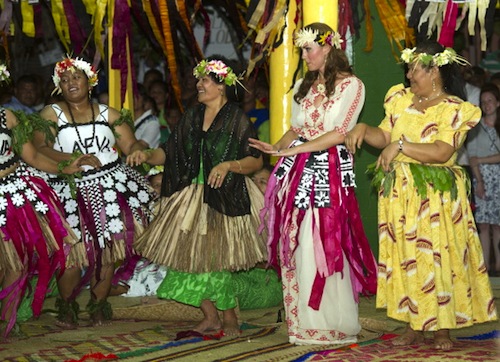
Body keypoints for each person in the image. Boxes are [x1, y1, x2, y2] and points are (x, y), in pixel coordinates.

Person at [345, 41, 498, 351]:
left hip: (436, 196)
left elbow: (442, 152)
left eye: (416, 67)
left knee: (437, 259)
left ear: (436, 70)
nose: (410, 73)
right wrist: (363, 127)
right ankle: (414, 324)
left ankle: (442, 328)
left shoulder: (455, 108)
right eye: (409, 66)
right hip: (400, 195)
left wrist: (401, 147)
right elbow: (384, 136)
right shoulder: (399, 99)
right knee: (407, 258)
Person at [249, 23, 378, 345]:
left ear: (329, 48)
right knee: (296, 239)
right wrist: (277, 146)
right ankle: (303, 322)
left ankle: (330, 321)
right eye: (302, 49)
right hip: (299, 168)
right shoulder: (304, 86)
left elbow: (339, 133)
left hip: (328, 169)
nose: (304, 55)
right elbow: (296, 128)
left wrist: (291, 150)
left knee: (325, 241)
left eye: (309, 49)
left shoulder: (352, 85)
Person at [127, 56, 267, 337]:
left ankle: (230, 318)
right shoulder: (192, 115)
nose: (199, 84)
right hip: (191, 197)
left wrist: (228, 165)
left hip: (225, 197)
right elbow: (168, 151)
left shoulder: (235, 118)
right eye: (199, 79)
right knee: (186, 262)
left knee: (216, 261)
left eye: (205, 80)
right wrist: (147, 154)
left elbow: (255, 161)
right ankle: (211, 315)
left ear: (221, 85)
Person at [32, 56, 154, 328]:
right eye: (64, 79)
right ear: (58, 86)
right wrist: (68, 161)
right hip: (69, 190)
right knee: (72, 257)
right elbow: (40, 148)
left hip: (109, 190)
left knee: (108, 252)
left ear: (89, 82)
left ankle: (99, 305)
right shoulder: (52, 114)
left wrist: (138, 151)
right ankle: (67, 306)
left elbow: (130, 144)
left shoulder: (108, 114)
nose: (70, 83)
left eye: (76, 77)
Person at [0, 65, 92, 339]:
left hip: (12, 196)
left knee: (15, 266)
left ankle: (7, 322)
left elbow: (33, 157)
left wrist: (63, 169)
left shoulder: (8, 117)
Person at [467, 83, 500, 276]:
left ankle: (498, 264)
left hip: (497, 177)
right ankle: (485, 265)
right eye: (483, 102)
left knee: (497, 225)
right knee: (483, 224)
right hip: (482, 178)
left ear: (497, 103)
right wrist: (478, 181)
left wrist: (482, 159)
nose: (486, 105)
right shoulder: (476, 128)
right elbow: (471, 157)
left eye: (490, 101)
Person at [134, 84, 161, 149]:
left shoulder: (152, 122)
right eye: (130, 96)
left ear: (144, 99)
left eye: (137, 96)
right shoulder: (122, 119)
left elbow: (142, 145)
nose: (134, 99)